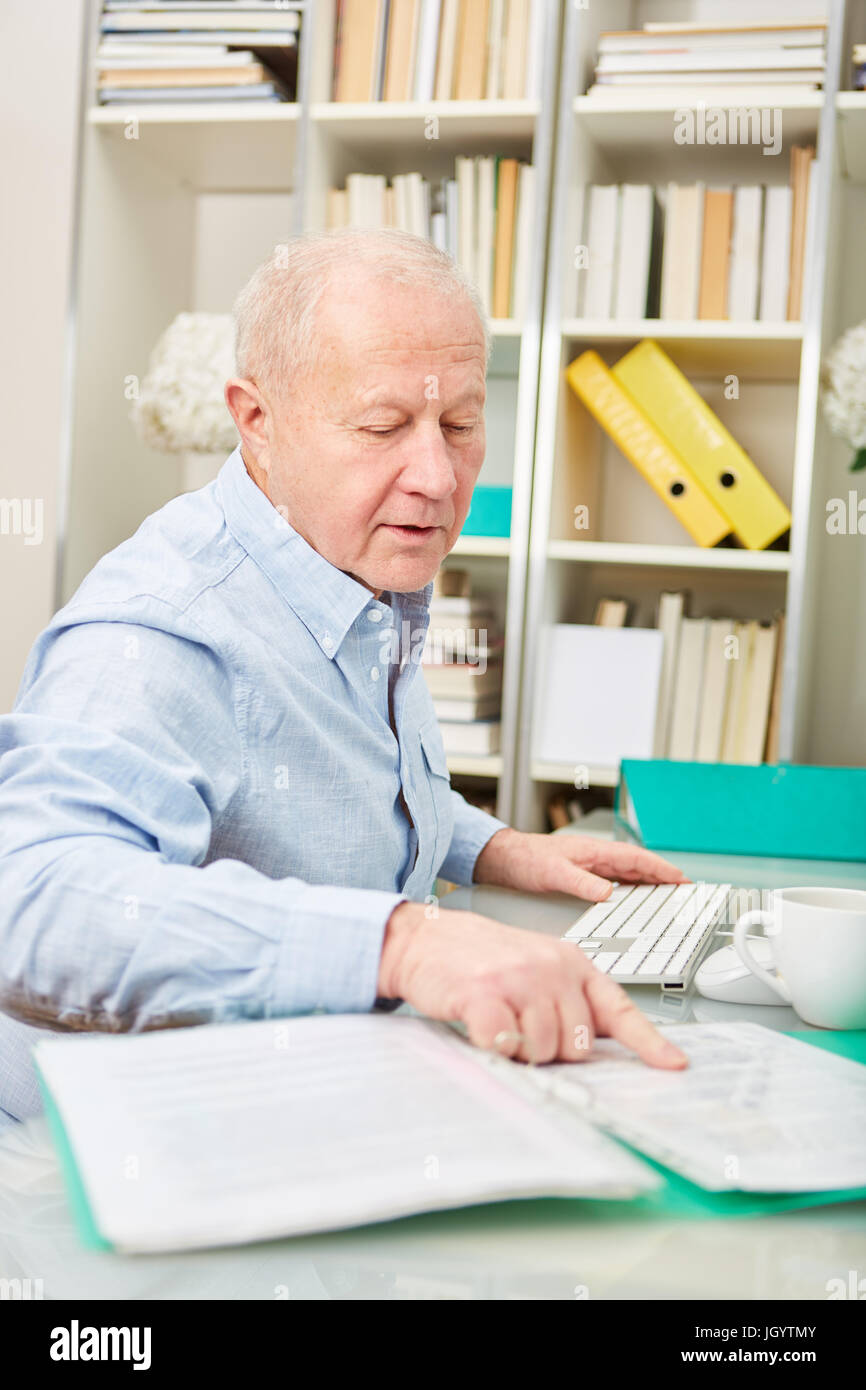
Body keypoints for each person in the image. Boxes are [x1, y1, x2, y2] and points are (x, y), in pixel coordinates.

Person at [0, 228, 688, 1126]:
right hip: (124, 1172)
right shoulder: (161, 627)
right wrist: (403, 945)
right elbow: (35, 902)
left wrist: (492, 848)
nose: (438, 478)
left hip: (317, 1106)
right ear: (257, 420)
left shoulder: (350, 560)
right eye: (382, 427)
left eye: (461, 423)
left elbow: (322, 788)